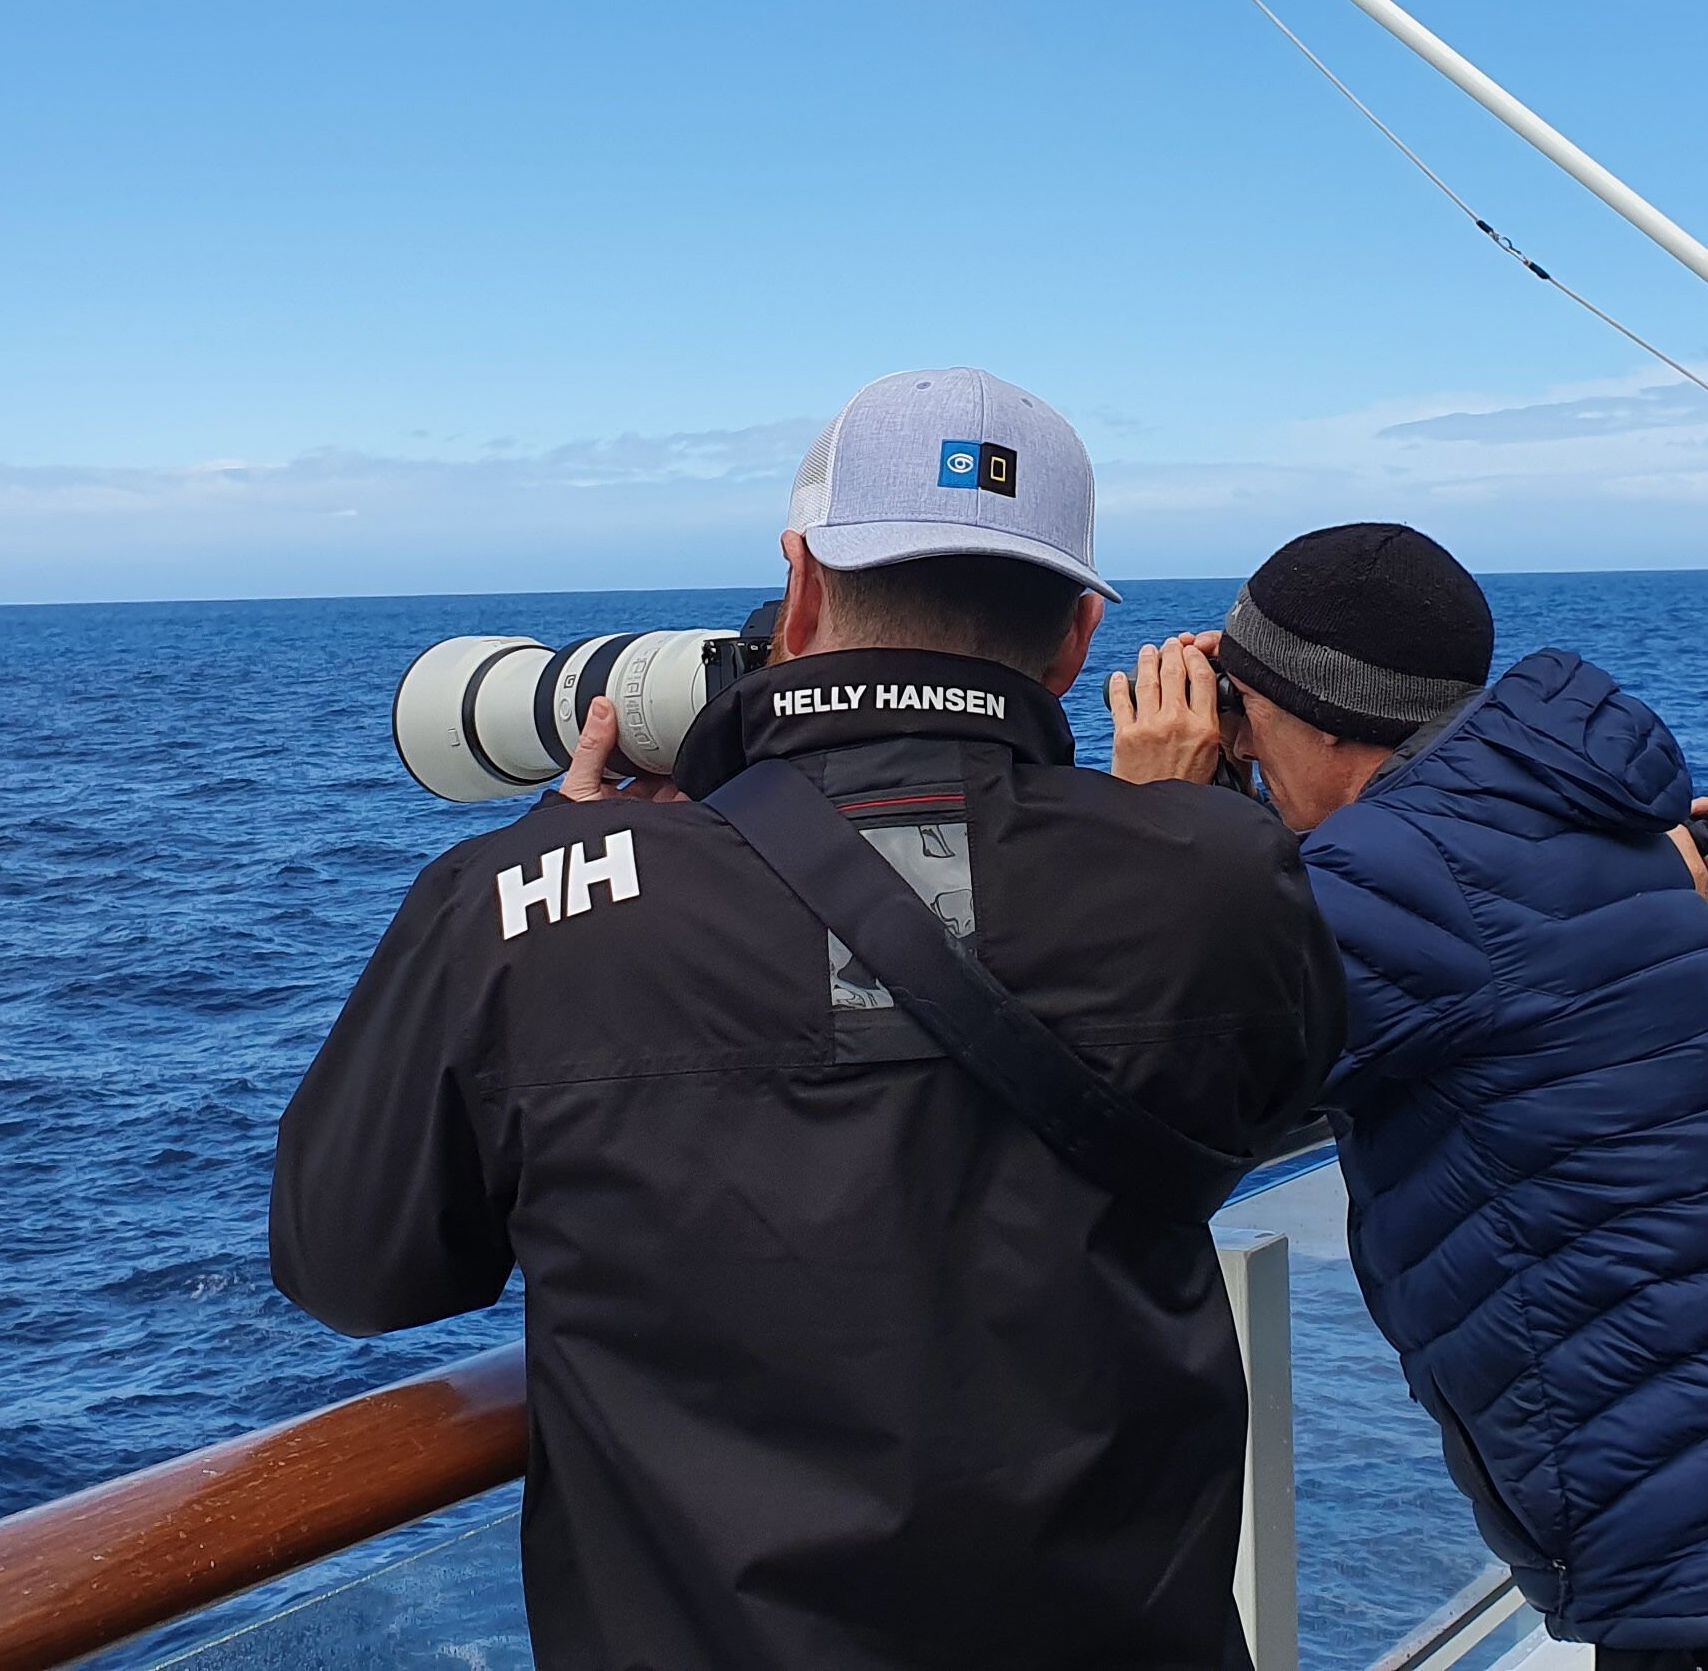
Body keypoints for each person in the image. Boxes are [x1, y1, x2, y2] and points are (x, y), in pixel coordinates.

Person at [269, 367, 1345, 1671]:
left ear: (801, 589)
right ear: (1076, 639)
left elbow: (351, 1268)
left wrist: (559, 853)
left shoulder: (515, 910)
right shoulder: (1220, 873)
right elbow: (1275, 1099)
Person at [1111, 523, 1708, 1671]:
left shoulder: (1405, 876)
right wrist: (1246, 819)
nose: (1237, 739)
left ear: (1326, 718)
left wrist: (1165, 824)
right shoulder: (1551, 822)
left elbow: (1160, 1081)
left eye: (1247, 711)